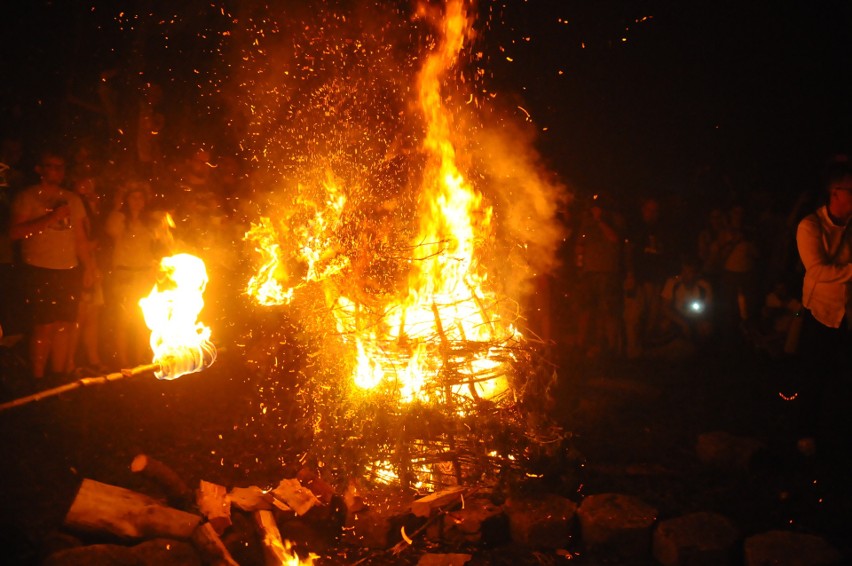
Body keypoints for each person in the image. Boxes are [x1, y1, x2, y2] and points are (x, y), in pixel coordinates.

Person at [9, 151, 95, 379]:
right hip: (39, 268)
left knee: (65, 324)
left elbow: (80, 238)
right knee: (43, 326)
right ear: (40, 169)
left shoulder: (72, 199)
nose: (56, 171)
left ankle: (58, 377)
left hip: (67, 270)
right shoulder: (27, 198)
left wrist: (88, 267)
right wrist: (50, 218)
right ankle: (37, 378)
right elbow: (14, 232)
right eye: (51, 166)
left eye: (61, 167)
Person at [792, 158, 852, 457]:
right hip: (821, 314)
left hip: (849, 315)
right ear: (835, 193)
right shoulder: (810, 226)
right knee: (814, 376)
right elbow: (817, 271)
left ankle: (836, 429)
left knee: (843, 376)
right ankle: (805, 434)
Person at [105, 181, 161, 367]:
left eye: (140, 197)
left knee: (141, 321)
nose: (137, 201)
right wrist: (116, 206)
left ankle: (138, 361)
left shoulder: (151, 223)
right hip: (125, 277)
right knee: (123, 321)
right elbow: (110, 230)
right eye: (133, 197)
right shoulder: (120, 220)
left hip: (145, 277)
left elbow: (159, 246)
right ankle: (123, 362)